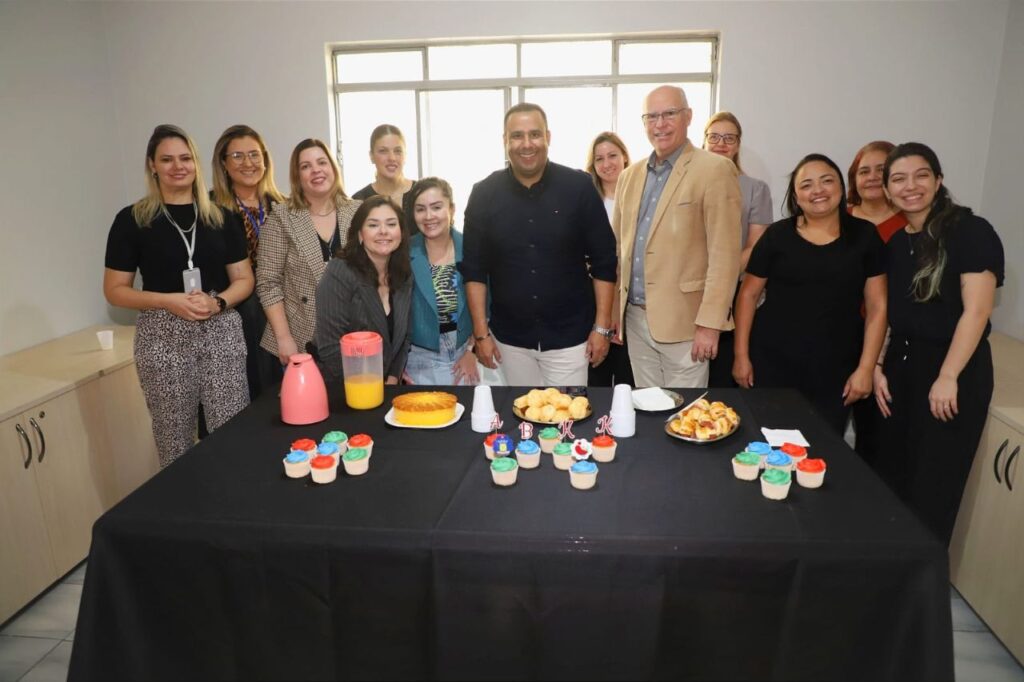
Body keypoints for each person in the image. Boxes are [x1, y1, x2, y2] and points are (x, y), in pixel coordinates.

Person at [874, 142, 1004, 545]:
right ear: (887, 188)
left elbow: (976, 312)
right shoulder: (897, 243)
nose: (910, 186)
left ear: (938, 180)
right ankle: (890, 578)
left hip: (952, 370)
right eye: (898, 179)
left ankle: (921, 595)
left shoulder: (970, 231)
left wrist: (949, 376)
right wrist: (878, 366)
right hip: (901, 369)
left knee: (933, 487)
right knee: (892, 477)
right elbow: (891, 314)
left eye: (921, 175)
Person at [103, 124, 253, 467]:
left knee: (232, 434)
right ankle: (183, 512)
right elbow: (114, 291)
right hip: (162, 336)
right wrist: (168, 300)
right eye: (167, 159)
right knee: (173, 440)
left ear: (197, 164)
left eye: (185, 158)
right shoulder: (132, 220)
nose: (178, 166)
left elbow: (244, 279)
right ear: (152, 165)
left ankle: (231, 508)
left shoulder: (223, 217)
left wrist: (218, 303)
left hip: (220, 331)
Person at [460, 103, 618, 387]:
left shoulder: (579, 187)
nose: (527, 144)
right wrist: (481, 335)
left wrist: (602, 327)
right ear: (505, 141)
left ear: (548, 137)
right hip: (509, 342)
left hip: (571, 340)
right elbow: (474, 271)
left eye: (534, 134)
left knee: (567, 422)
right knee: (520, 421)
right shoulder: (483, 194)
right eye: (517, 136)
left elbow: (605, 261)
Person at [733, 153, 887, 435]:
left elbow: (878, 307)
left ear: (841, 187)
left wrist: (865, 369)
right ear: (795, 195)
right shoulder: (777, 235)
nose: (817, 190)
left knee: (822, 451)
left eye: (826, 181)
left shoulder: (865, 236)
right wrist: (741, 355)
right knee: (766, 448)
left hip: (836, 368)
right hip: (771, 363)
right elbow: (748, 296)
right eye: (806, 185)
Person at [612, 85, 742, 388]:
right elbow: (619, 248)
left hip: (687, 324)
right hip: (635, 318)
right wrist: (614, 314)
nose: (660, 124)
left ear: (688, 117)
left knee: (686, 417)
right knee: (647, 409)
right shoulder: (628, 176)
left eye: (669, 113)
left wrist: (710, 325)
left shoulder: (715, 170)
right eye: (651, 116)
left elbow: (725, 256)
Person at [256, 138, 361, 371]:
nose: (316, 170)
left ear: (333, 168)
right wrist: (284, 338)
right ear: (297, 176)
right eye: (306, 166)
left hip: (355, 336)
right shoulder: (281, 218)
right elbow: (267, 284)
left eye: (322, 162)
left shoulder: (358, 212)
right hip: (301, 338)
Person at [210, 124, 286, 399]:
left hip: (286, 307)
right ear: (223, 163)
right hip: (238, 314)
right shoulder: (210, 211)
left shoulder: (284, 206)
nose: (248, 163)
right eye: (238, 156)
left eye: (254, 155)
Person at [701, 112, 773, 388]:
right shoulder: (691, 184)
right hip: (691, 293)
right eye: (714, 137)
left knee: (723, 378)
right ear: (704, 141)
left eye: (729, 138)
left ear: (738, 143)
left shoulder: (755, 188)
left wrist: (720, 280)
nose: (721, 143)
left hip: (735, 293)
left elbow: (756, 244)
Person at [846, 140, 908, 461]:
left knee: (874, 435)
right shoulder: (837, 217)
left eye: (880, 170)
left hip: (887, 341)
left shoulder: (909, 224)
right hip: (840, 334)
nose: (871, 177)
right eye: (863, 171)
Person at [315, 195, 412, 383]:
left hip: (387, 385)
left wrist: (392, 378)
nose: (383, 231)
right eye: (373, 225)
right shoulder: (340, 272)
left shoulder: (404, 273)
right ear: (360, 234)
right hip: (342, 387)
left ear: (401, 233)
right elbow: (331, 348)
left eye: (391, 224)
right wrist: (372, 387)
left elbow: (404, 338)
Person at [405, 177, 479, 385]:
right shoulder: (402, 253)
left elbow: (487, 307)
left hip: (464, 357)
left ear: (452, 209)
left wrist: (473, 350)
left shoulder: (472, 249)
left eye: (436, 207)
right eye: (420, 209)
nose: (429, 216)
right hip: (417, 363)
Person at [585, 132, 635, 388]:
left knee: (628, 377)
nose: (607, 164)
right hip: (594, 295)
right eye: (599, 159)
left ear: (625, 157)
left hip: (631, 299)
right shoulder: (587, 200)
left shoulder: (639, 196)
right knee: (597, 376)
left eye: (613, 155)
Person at [351, 124, 415, 229]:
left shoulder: (420, 193)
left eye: (398, 151)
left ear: (405, 155)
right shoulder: (358, 201)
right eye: (383, 151)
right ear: (371, 156)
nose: (392, 158)